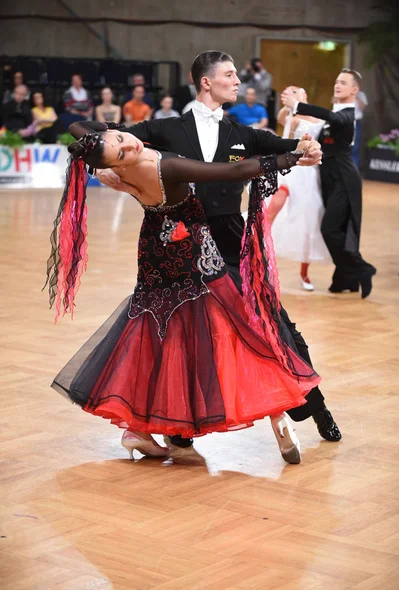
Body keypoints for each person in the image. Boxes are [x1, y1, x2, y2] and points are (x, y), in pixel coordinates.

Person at [96, 51, 342, 460]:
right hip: (178, 243)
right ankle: (176, 429)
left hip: (228, 241)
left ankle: (314, 408)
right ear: (205, 82)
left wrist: (308, 148)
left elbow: (292, 147)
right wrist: (101, 166)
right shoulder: (164, 129)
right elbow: (96, 137)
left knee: (274, 323)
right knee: (182, 338)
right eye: (229, 75)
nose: (238, 81)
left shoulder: (244, 135)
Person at [45, 121, 320, 465]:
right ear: (116, 163)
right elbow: (229, 171)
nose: (130, 144)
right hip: (193, 258)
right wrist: (289, 157)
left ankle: (138, 430)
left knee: (161, 339)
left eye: (120, 136)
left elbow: (78, 128)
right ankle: (276, 410)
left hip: (155, 257)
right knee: (236, 330)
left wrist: (101, 150)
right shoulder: (165, 166)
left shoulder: (122, 167)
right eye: (121, 150)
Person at [281, 69, 377, 298]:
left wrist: (299, 105)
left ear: (354, 90)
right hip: (329, 178)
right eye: (336, 81)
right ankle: (347, 279)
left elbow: (333, 118)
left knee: (330, 229)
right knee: (338, 231)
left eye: (343, 83)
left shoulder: (347, 114)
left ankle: (363, 269)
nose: (337, 85)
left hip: (344, 178)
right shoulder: (335, 113)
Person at [267, 86, 331, 291]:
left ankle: (304, 272)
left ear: (306, 97)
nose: (296, 95)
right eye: (293, 93)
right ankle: (261, 258)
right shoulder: (291, 119)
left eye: (299, 92)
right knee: (274, 207)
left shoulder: (320, 121)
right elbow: (281, 117)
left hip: (309, 174)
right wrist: (288, 103)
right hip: (291, 169)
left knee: (309, 219)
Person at [353, 89, 368, 169]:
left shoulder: (361, 94)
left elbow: (363, 107)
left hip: (356, 121)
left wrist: (355, 96)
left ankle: (354, 170)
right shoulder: (343, 91)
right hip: (344, 121)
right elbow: (334, 101)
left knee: (355, 146)